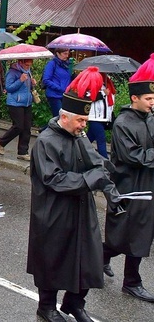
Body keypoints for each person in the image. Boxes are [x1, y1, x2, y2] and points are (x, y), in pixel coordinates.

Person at [27, 68, 119, 322]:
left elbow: (94, 162)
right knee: (52, 259)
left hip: (80, 209)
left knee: (88, 258)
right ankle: (46, 307)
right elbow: (54, 178)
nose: (83, 126)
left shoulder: (77, 136)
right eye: (80, 121)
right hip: (53, 212)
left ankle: (74, 303)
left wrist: (109, 178)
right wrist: (92, 179)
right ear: (64, 117)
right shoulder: (46, 141)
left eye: (85, 121)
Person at [102, 55, 154, 302]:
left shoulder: (150, 118)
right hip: (129, 186)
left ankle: (129, 279)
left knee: (141, 234)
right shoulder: (123, 123)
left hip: (148, 186)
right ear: (135, 98)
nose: (152, 103)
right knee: (125, 234)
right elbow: (134, 156)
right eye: (148, 99)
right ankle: (104, 260)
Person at [0, 59, 35, 161]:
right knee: (18, 126)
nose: (28, 66)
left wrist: (33, 83)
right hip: (15, 103)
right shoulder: (12, 72)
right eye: (26, 65)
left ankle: (23, 152)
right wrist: (20, 80)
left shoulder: (28, 71)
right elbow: (9, 88)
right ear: (20, 62)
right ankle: (1, 142)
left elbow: (28, 88)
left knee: (27, 128)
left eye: (30, 64)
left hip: (27, 102)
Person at [86, 73, 115, 158]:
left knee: (88, 139)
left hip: (104, 118)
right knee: (101, 140)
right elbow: (89, 97)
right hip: (94, 117)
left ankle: (76, 151)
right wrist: (103, 93)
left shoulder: (108, 84)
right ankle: (105, 163)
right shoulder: (91, 84)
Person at [41, 47, 72, 119]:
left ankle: (43, 130)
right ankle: (44, 130)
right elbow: (46, 80)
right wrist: (60, 88)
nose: (67, 56)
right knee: (60, 117)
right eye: (65, 54)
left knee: (62, 118)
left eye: (68, 54)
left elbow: (68, 79)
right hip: (54, 95)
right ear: (58, 53)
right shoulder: (52, 64)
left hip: (64, 95)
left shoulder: (67, 65)